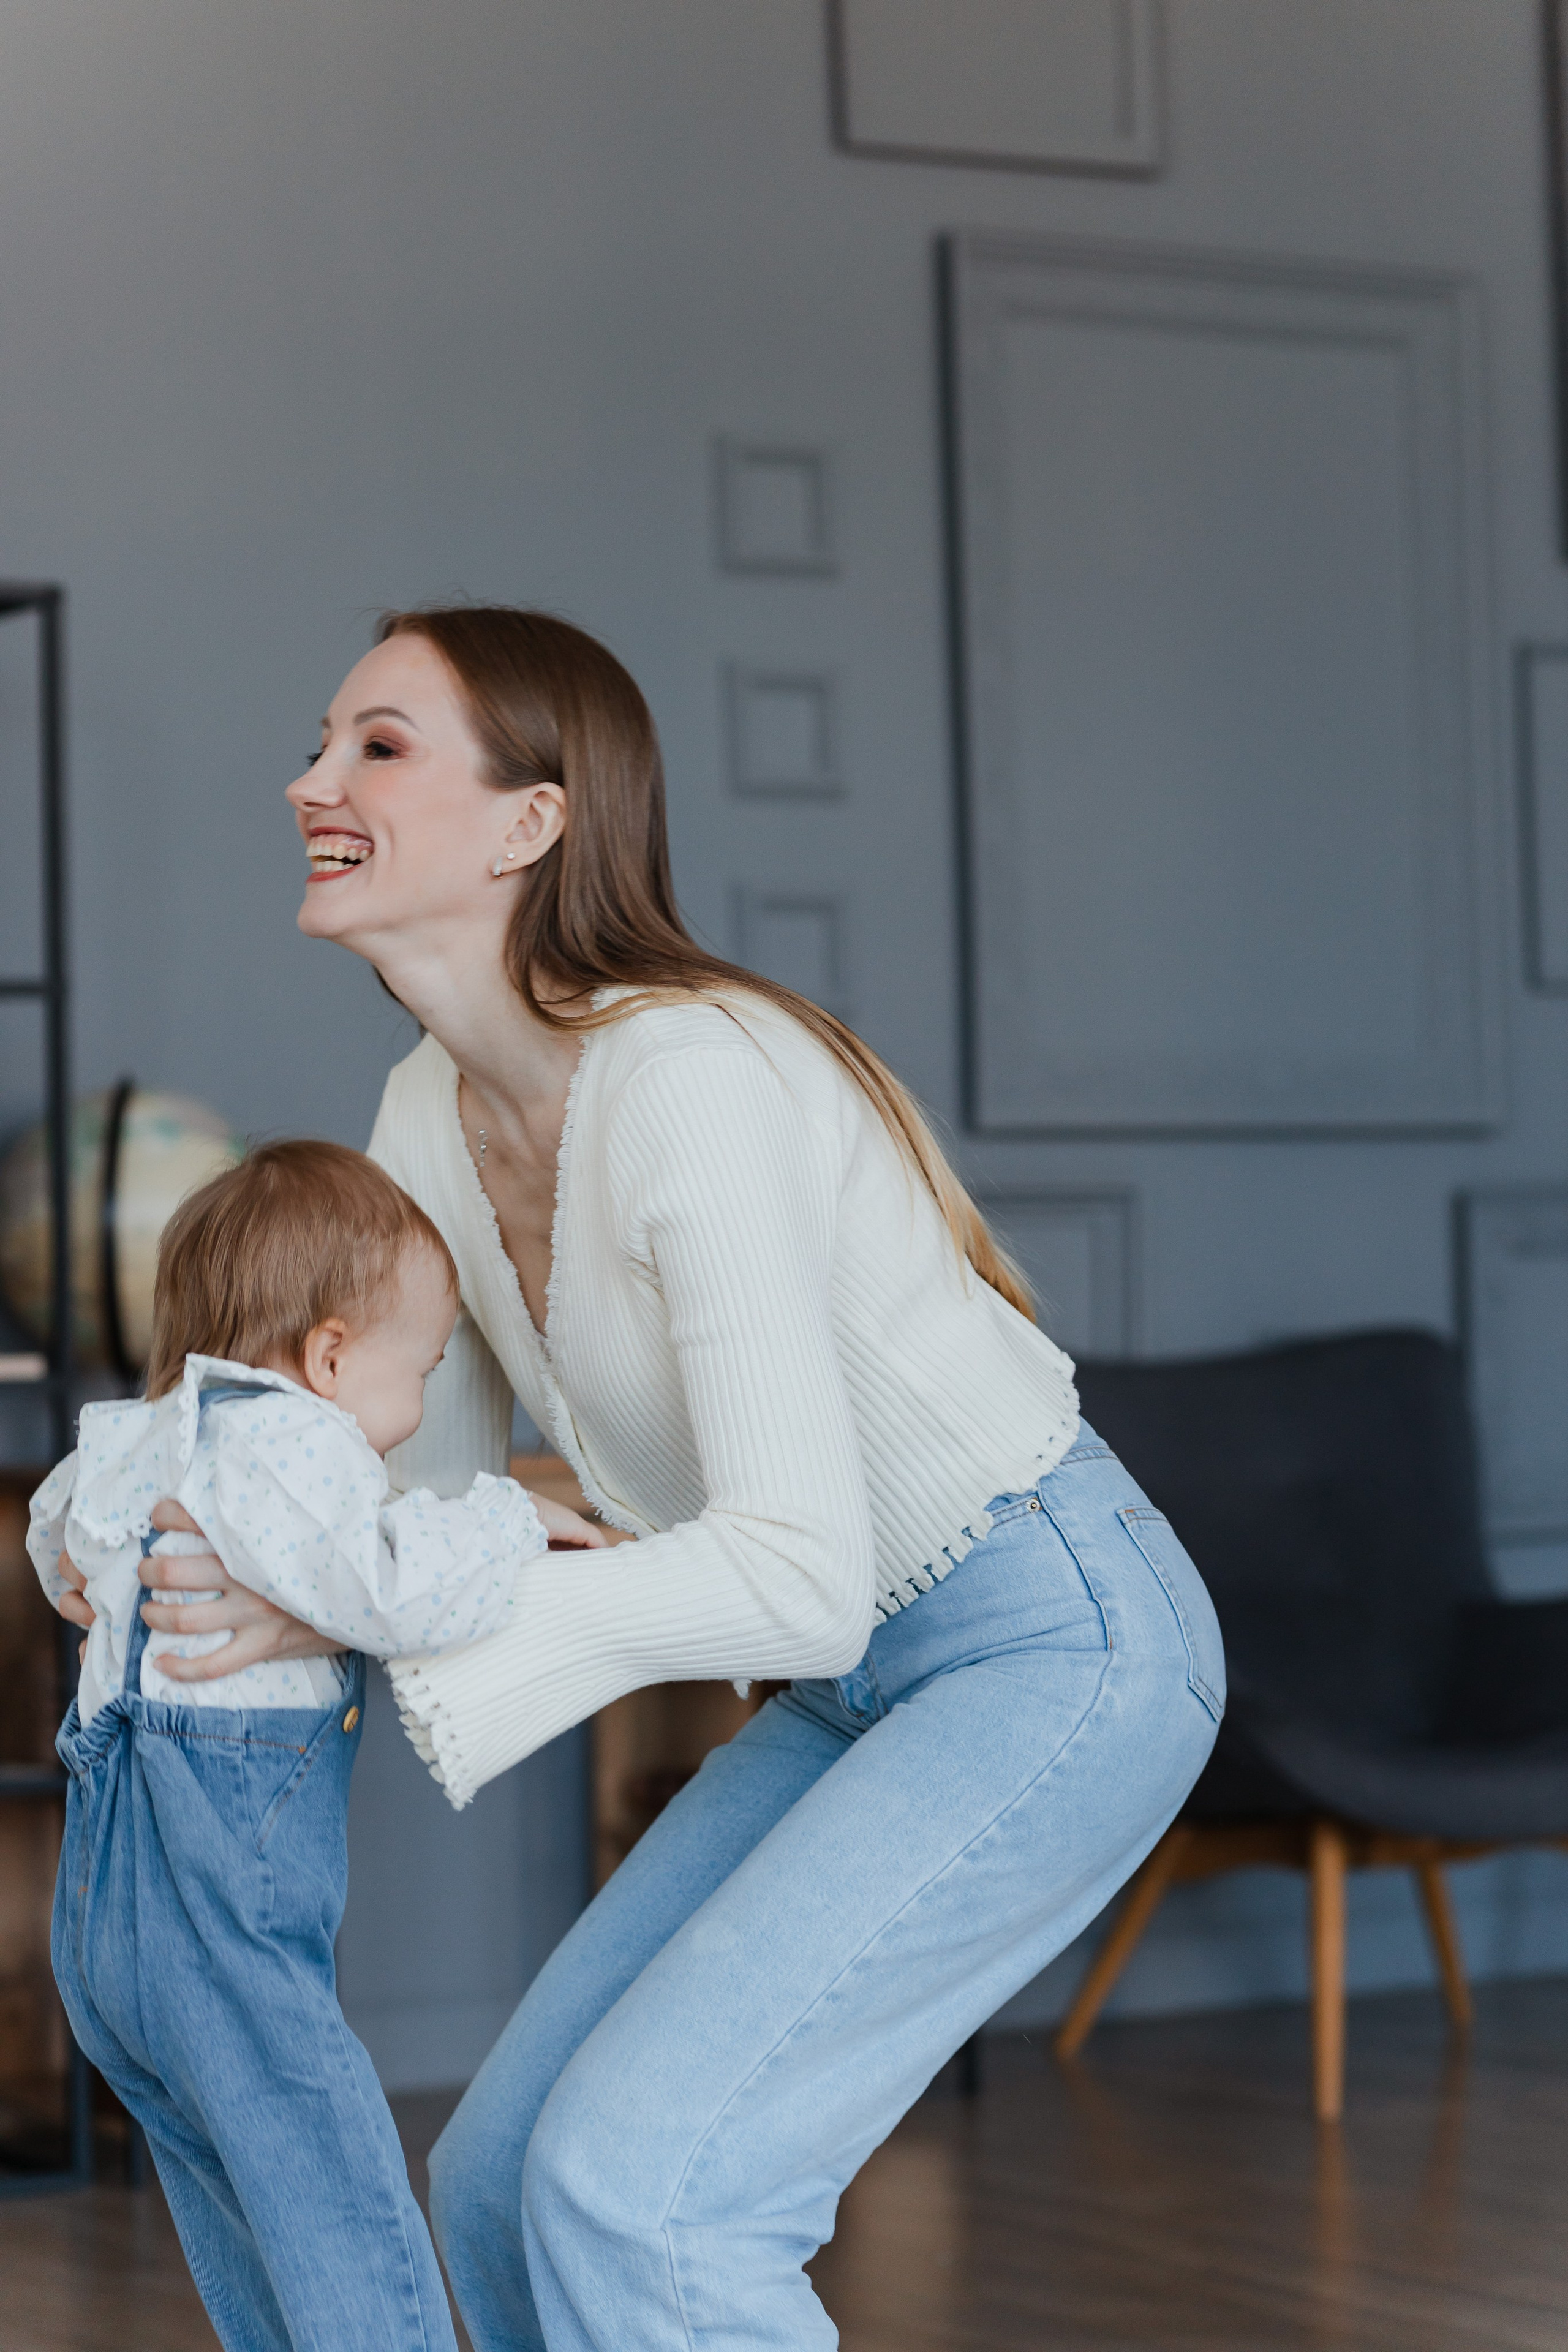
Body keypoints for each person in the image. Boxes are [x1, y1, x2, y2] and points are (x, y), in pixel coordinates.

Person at [57, 606, 1226, 2352]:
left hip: (1053, 1642)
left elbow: (801, 1574)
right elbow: (395, 1521)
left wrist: (322, 1579)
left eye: (378, 746)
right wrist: (167, 1548)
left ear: (532, 822)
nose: (312, 780)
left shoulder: (687, 1075)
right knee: (504, 2177)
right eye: (321, 742)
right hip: (848, 1691)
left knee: (648, 2194)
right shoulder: (420, 1122)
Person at [32, 1139, 555, 2352]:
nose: (415, 1409)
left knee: (256, 2242)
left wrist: (81, 1582)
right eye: (418, 1371)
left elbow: (57, 1535)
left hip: (108, 1932)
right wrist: (509, 1515)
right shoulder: (292, 1440)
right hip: (224, 1928)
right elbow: (396, 1588)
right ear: (327, 1358)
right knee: (346, 2223)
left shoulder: (145, 1436)